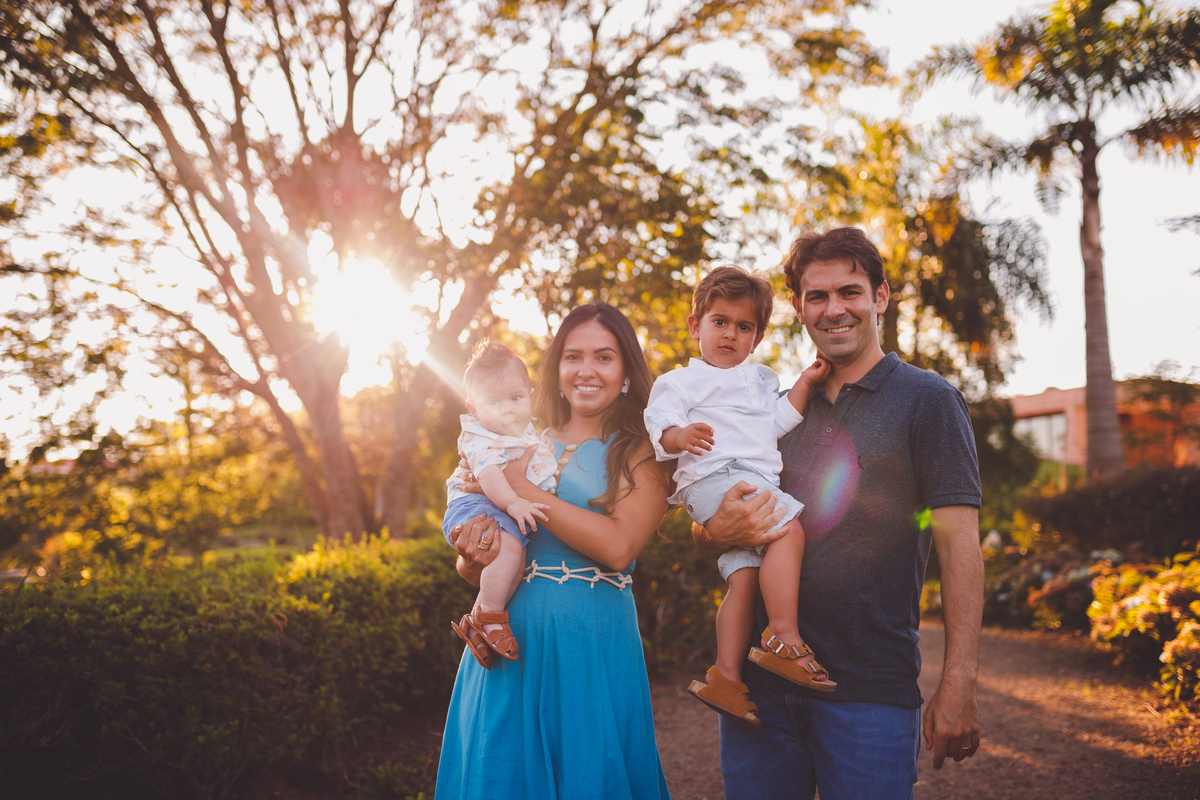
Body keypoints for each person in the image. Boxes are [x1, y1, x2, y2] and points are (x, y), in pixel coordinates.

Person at [693, 227, 984, 800]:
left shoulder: (928, 400)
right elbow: (721, 530)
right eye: (817, 296)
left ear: (880, 297)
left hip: (868, 690)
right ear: (799, 308)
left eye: (849, 291)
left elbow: (959, 545)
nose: (834, 309)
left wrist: (959, 682)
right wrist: (711, 531)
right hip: (760, 689)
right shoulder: (770, 413)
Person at [436, 302, 673, 800]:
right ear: (557, 370)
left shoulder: (642, 451)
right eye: (573, 357)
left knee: (589, 767)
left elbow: (618, 545)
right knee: (502, 773)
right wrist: (471, 548)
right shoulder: (516, 438)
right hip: (507, 641)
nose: (586, 370)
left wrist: (524, 490)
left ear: (626, 372)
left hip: (590, 640)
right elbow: (475, 561)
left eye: (604, 357)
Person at [643, 265, 834, 733]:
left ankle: (725, 676)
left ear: (757, 337)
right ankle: (783, 638)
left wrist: (805, 384)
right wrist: (680, 434)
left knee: (744, 580)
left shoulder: (763, 380)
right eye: (720, 322)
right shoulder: (680, 381)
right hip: (717, 477)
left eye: (743, 326)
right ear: (696, 327)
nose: (730, 334)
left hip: (742, 478)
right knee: (788, 530)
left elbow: (775, 423)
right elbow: (659, 429)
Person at [444, 341, 556, 667]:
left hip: (498, 506)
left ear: (530, 395)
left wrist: (543, 448)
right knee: (508, 550)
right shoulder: (478, 436)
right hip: (477, 504)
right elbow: (490, 476)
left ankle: (476, 625)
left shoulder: (524, 430)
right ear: (474, 408)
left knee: (515, 565)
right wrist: (515, 502)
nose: (507, 408)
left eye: (515, 398)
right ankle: (491, 616)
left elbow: (535, 464)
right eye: (493, 402)